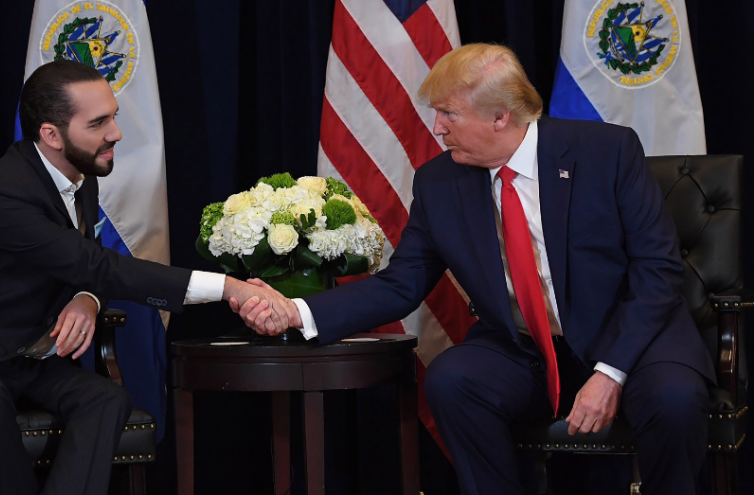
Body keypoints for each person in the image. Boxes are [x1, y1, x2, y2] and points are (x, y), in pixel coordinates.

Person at [234, 43, 713, 494]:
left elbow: (658, 272)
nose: (437, 128)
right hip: (523, 346)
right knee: (453, 381)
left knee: (674, 401)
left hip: (629, 336)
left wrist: (610, 372)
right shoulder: (440, 182)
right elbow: (402, 284)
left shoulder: (606, 152)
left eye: (449, 114)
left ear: (500, 116)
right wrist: (298, 311)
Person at [0, 60, 287, 495]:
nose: (116, 133)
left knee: (107, 398)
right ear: (51, 134)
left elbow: (82, 266)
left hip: (29, 356)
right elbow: (97, 265)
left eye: (114, 116)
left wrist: (87, 297)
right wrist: (227, 287)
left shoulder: (80, 175)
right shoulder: (7, 193)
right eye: (99, 122)